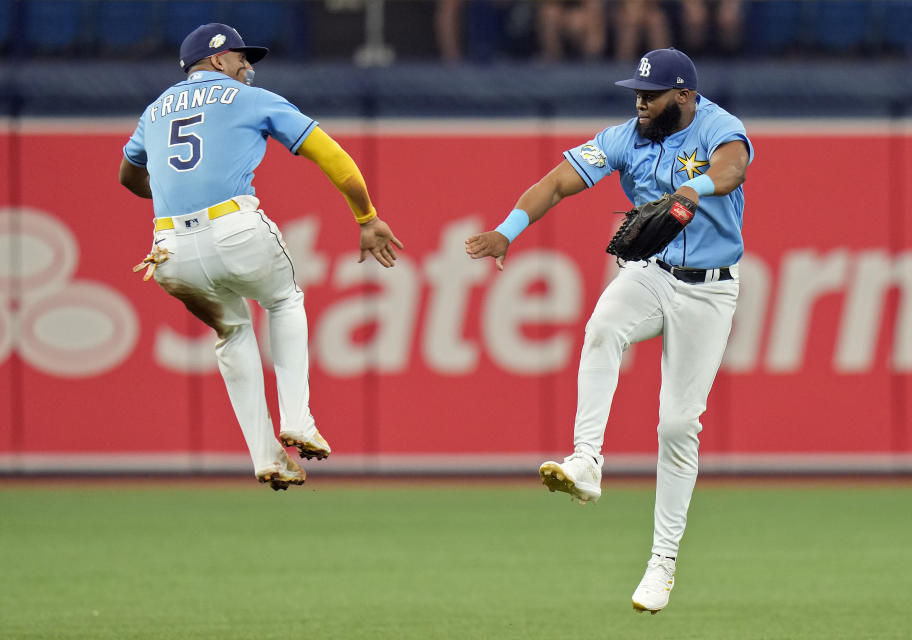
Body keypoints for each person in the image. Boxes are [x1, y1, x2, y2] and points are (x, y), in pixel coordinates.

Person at [465, 47, 752, 614]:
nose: (641, 102)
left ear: (686, 96)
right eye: (637, 93)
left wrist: (698, 190)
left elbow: (733, 166)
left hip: (711, 289)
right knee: (601, 329)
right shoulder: (625, 138)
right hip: (652, 274)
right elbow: (555, 183)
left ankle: (662, 563)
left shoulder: (719, 124)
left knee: (676, 426)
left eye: (653, 94)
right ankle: (586, 462)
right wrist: (507, 231)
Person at [119, 23, 403, 491]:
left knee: (231, 334)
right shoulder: (251, 98)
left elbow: (128, 176)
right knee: (285, 301)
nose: (247, 66)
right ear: (215, 60)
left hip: (168, 251)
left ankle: (266, 456)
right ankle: (298, 420)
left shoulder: (155, 110)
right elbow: (330, 155)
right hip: (233, 227)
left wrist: (176, 195)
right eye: (240, 57)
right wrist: (367, 217)